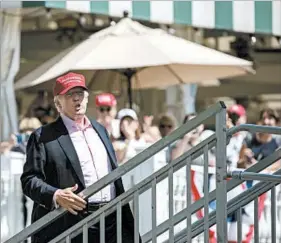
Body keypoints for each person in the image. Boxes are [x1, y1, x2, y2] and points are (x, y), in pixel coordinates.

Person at [20, 72, 138, 243]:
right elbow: (29, 180)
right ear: (58, 102)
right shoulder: (43, 136)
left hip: (110, 218)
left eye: (80, 94)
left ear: (87, 98)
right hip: (72, 222)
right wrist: (56, 195)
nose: (77, 99)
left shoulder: (100, 130)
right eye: (70, 94)